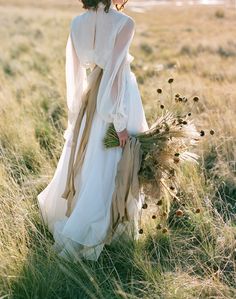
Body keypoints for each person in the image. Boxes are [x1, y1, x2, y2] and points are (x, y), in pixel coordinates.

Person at [37, 0, 149, 261]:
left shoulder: (77, 23)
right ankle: (106, 225)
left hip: (90, 98)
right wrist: (119, 123)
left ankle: (79, 212)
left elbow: (74, 74)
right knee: (114, 160)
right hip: (117, 100)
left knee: (92, 158)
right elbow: (114, 76)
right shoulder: (125, 23)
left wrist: (77, 110)